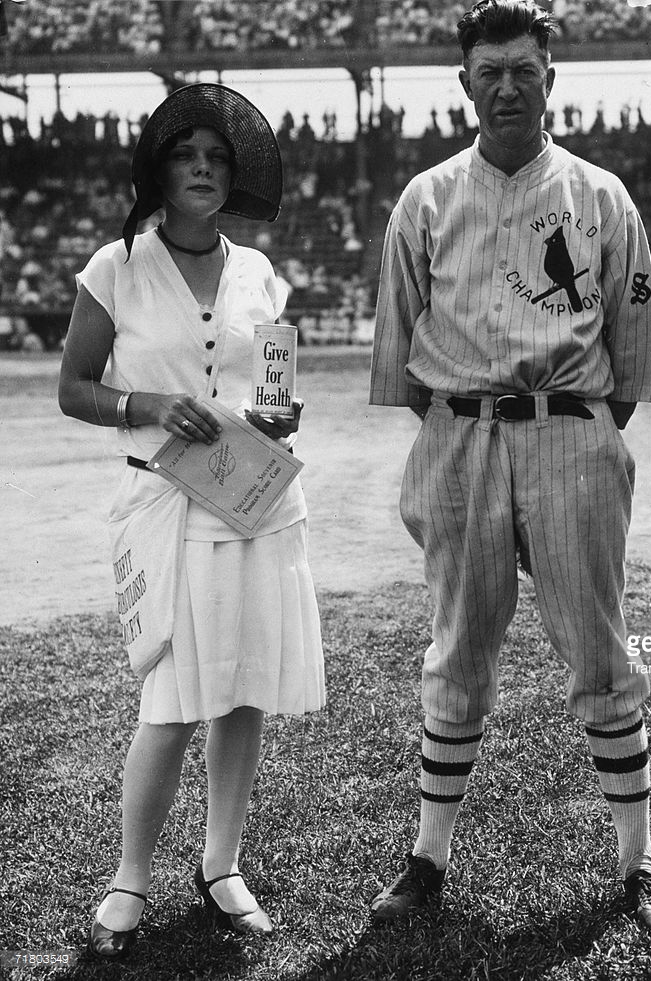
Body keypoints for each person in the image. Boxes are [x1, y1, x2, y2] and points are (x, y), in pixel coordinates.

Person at [369, 0, 651, 931]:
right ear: (464, 82)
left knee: (600, 646)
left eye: (525, 69)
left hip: (573, 434)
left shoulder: (601, 196)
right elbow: (402, 360)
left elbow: (631, 367)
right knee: (457, 645)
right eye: (490, 70)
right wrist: (473, 418)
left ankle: (640, 861)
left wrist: (569, 425)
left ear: (552, 79)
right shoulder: (424, 199)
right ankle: (427, 858)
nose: (508, 85)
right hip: (458, 435)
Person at [58, 83, 325, 959]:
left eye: (217, 158)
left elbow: (271, 389)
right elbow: (75, 388)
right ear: (160, 172)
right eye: (187, 156)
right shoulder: (117, 266)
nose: (203, 170)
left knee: (242, 688)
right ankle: (129, 877)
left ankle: (221, 864)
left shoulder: (258, 274)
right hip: (164, 501)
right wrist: (146, 400)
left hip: (252, 498)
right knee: (170, 702)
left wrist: (280, 416)